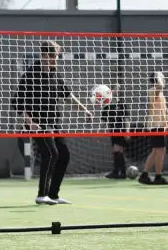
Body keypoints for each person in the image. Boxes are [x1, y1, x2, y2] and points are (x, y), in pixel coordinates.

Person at [11, 40, 93, 206]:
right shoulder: (30, 74)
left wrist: (85, 109)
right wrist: (30, 122)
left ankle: (53, 194)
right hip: (37, 122)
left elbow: (68, 95)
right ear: (43, 55)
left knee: (64, 155)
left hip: (54, 121)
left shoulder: (54, 74)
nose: (55, 59)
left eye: (56, 56)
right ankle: (42, 195)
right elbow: (17, 102)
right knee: (50, 153)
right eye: (52, 56)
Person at [138, 71, 168, 185]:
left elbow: (163, 111)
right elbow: (160, 85)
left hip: (159, 125)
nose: (164, 79)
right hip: (155, 125)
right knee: (160, 150)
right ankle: (158, 176)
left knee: (155, 151)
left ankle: (144, 175)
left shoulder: (159, 92)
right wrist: (159, 77)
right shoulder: (154, 90)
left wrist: (165, 123)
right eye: (162, 78)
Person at [101, 84, 129, 179]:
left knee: (117, 150)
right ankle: (118, 171)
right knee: (116, 151)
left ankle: (121, 172)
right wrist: (100, 131)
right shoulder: (107, 106)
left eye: (118, 89)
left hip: (121, 130)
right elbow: (104, 120)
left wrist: (127, 132)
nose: (117, 91)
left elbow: (127, 119)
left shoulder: (122, 104)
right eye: (115, 89)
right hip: (112, 131)